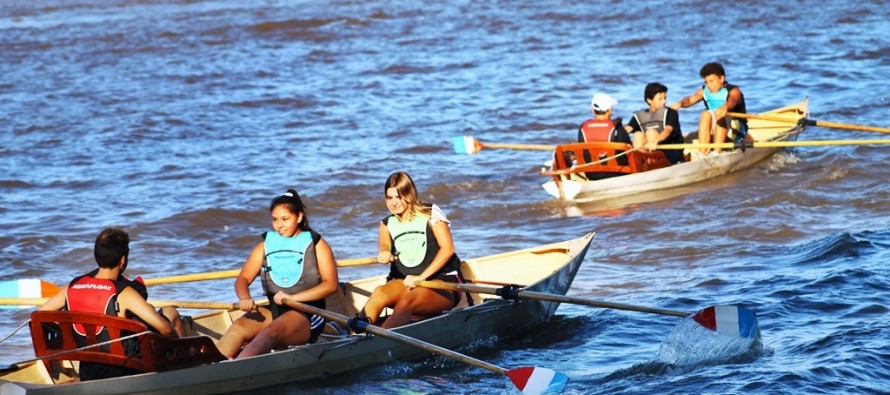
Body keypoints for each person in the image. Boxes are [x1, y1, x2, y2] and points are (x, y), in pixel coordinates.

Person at [39, 227, 181, 381]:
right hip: (126, 369)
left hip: (89, 371)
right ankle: (184, 375)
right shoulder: (124, 293)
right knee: (170, 313)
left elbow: (40, 316)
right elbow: (166, 331)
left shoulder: (71, 287)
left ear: (97, 257)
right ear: (123, 260)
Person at [216, 189, 339, 359]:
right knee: (239, 326)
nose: (279, 225)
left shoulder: (317, 244)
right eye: (275, 220)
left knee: (271, 332)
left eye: (285, 219)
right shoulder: (265, 246)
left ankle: (232, 369)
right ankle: (208, 368)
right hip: (276, 310)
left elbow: (330, 284)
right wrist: (244, 297)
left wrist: (294, 298)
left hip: (308, 314)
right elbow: (242, 279)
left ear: (299, 217)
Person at [358, 172, 466, 329]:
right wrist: (385, 252)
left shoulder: (431, 213)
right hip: (406, 282)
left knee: (407, 302)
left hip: (442, 283)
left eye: (399, 197)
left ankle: (377, 341)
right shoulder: (387, 223)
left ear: (409, 194)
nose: (394, 203)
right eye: (389, 198)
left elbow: (448, 249)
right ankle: (354, 333)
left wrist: (421, 277)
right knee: (379, 292)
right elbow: (384, 245)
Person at [670, 62, 748, 155]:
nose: (709, 85)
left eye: (712, 81)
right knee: (705, 113)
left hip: (736, 130)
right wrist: (680, 103)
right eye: (706, 82)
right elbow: (691, 99)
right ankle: (702, 153)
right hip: (717, 128)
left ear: (721, 79)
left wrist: (725, 107)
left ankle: (717, 152)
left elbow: (733, 100)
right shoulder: (704, 91)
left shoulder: (734, 90)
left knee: (719, 114)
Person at [576, 93, 634, 179]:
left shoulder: (583, 128)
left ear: (593, 110)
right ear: (610, 110)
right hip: (616, 173)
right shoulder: (617, 128)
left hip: (591, 175)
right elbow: (630, 151)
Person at [625, 82, 686, 164]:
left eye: (665, 98)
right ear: (649, 100)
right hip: (651, 151)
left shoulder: (671, 113)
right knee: (637, 135)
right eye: (660, 99)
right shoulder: (640, 116)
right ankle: (640, 164)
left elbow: (667, 130)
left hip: (671, 151)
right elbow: (626, 130)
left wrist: (655, 141)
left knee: (651, 133)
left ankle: (652, 164)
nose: (664, 101)